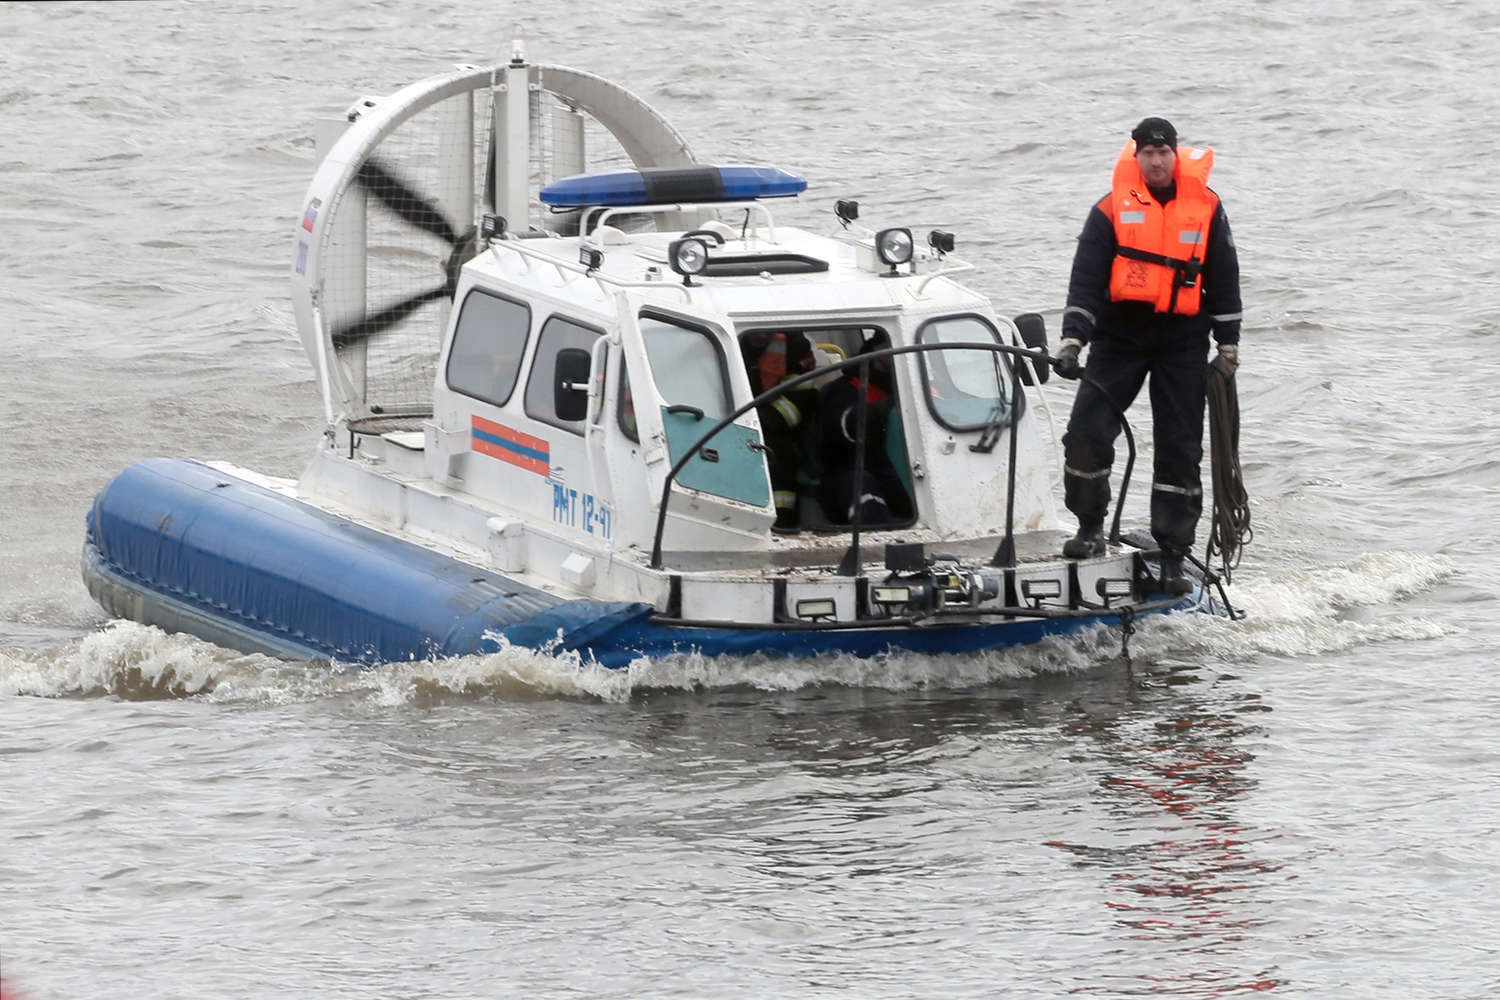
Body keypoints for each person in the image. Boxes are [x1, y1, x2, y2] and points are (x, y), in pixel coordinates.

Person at [1053, 117, 1242, 594]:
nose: (1156, 161)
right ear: (1135, 157)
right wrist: (1072, 341)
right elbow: (1085, 282)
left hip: (1182, 341)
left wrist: (1229, 346)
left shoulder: (1208, 207)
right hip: (1119, 339)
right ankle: (1090, 528)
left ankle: (1174, 553)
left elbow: (1224, 275)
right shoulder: (1108, 210)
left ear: (1175, 155)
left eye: (1164, 153)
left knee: (1180, 448)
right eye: (1148, 153)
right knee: (1085, 434)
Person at [817, 331, 914, 525]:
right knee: (859, 483)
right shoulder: (844, 388)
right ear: (877, 348)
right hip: (856, 469)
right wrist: (881, 410)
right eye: (892, 344)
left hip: (908, 469)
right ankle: (876, 545)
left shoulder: (913, 385)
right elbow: (842, 427)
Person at [742, 331, 819, 529]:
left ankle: (783, 525)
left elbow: (803, 399)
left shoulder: (796, 348)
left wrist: (761, 420)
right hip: (733, 422)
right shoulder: (728, 337)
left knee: (781, 462)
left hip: (779, 427)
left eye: (764, 332)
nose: (758, 336)